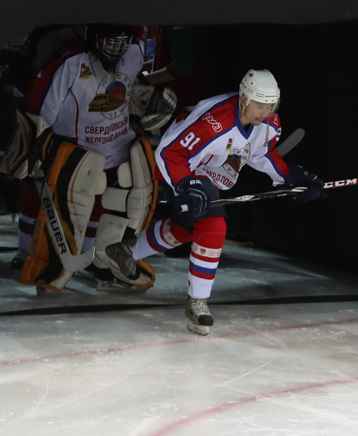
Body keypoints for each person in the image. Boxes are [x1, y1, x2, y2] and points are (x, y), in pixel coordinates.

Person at [127, 69, 325, 335]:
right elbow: (169, 153)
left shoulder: (268, 122)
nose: (266, 112)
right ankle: (197, 302)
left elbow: (260, 154)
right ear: (243, 99)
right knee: (214, 227)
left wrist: (288, 177)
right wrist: (188, 183)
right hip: (181, 169)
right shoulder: (213, 121)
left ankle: (126, 253)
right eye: (259, 105)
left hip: (206, 175)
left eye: (270, 105)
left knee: (188, 228)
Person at [18, 24, 177, 290]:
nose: (116, 48)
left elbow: (129, 88)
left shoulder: (133, 53)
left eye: (121, 41)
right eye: (109, 41)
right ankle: (42, 261)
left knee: (132, 202)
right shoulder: (70, 61)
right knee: (69, 208)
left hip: (119, 145)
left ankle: (107, 262)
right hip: (77, 149)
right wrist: (34, 149)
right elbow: (39, 107)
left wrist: (146, 101)